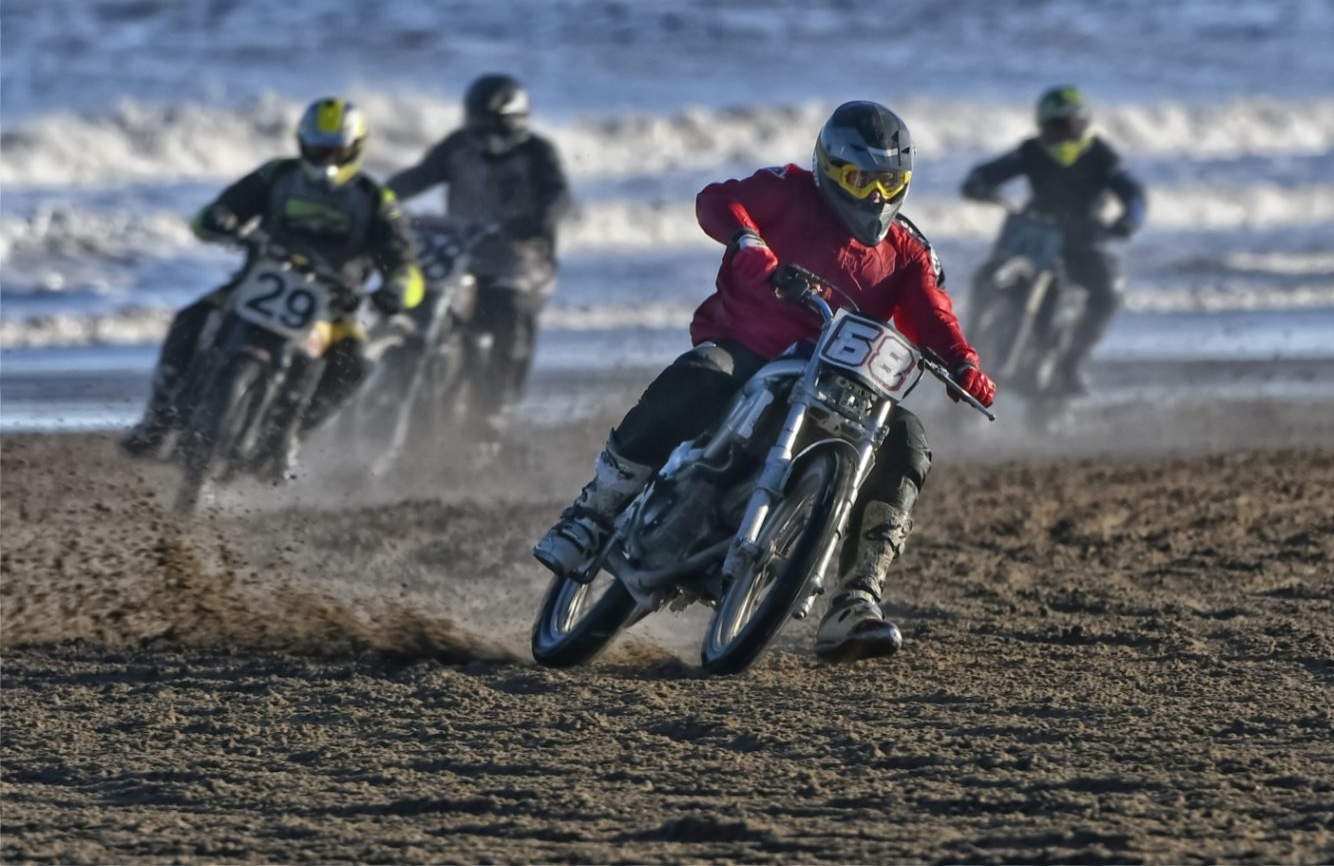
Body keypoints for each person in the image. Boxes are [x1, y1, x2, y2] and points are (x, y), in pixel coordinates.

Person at [531, 101, 996, 664]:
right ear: (829, 168)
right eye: (860, 179)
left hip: (839, 379)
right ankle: (595, 512)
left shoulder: (908, 250)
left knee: (908, 442)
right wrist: (749, 240)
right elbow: (717, 200)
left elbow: (933, 312)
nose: (875, 196)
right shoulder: (788, 191)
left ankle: (856, 599)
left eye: (889, 183)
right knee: (702, 375)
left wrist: (964, 363)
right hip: (750, 350)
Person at [120, 98, 424, 461]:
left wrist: (397, 289)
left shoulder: (376, 200)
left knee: (354, 363)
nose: (325, 158)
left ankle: (292, 436)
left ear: (354, 150)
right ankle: (157, 421)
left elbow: (405, 264)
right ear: (302, 142)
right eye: (317, 149)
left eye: (335, 150)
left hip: (331, 308)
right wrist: (221, 221)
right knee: (189, 319)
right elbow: (214, 215)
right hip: (255, 283)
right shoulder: (277, 175)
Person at [387, 74, 571, 435]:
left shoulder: (538, 153)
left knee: (512, 312)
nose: (487, 135)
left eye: (496, 126)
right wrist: (378, 200)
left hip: (521, 258)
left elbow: (558, 197)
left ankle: (497, 408)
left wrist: (534, 224)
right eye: (479, 125)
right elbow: (419, 176)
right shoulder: (458, 146)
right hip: (465, 252)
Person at [960, 85, 1146, 395]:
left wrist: (1127, 221)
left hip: (1082, 242)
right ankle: (966, 349)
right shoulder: (1031, 151)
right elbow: (986, 173)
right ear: (1043, 126)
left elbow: (1133, 194)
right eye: (1055, 126)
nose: (1063, 133)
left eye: (1070, 125)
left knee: (1109, 290)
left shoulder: (1102, 156)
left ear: (1084, 125)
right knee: (986, 276)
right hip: (1034, 235)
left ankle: (1073, 360)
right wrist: (978, 185)